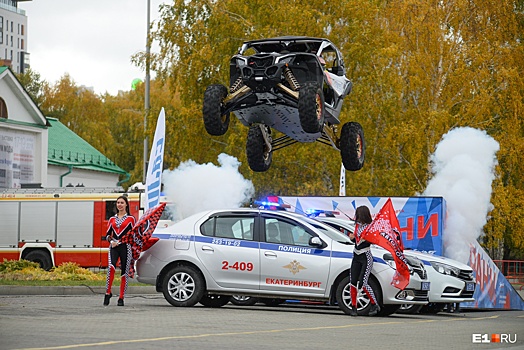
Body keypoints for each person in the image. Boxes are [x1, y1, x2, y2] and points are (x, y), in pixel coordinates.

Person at [103, 195, 136, 306]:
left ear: (126, 204)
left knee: (124, 273)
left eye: (122, 202)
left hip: (125, 247)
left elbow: (134, 235)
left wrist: (123, 241)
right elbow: (107, 235)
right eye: (118, 203)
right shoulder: (112, 219)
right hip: (113, 247)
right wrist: (111, 241)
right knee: (111, 268)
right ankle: (108, 292)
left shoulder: (131, 219)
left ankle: (121, 297)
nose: (120, 205)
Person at [348, 206, 380, 316]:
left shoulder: (370, 227)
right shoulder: (357, 226)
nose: (357, 217)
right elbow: (355, 240)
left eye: (358, 215)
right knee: (352, 282)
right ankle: (353, 307)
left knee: (363, 282)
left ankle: (374, 304)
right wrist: (352, 237)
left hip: (366, 256)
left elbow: (374, 240)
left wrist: (367, 239)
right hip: (356, 256)